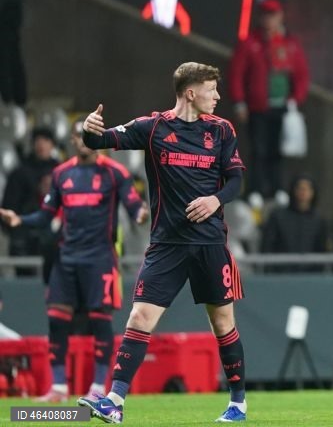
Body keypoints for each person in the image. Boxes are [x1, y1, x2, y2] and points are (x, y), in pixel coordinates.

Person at [76, 62, 248, 423]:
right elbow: (102, 140)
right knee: (139, 317)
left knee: (222, 324)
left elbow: (235, 181)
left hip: (209, 244)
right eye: (211, 89)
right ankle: (115, 402)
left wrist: (216, 200)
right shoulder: (152, 128)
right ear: (190, 92)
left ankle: (237, 404)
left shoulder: (221, 131)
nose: (217, 96)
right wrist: (88, 129)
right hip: (167, 245)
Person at [0, 120, 148, 403]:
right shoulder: (60, 174)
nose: (83, 141)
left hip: (100, 259)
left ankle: (96, 388)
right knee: (56, 321)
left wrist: (140, 214)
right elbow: (46, 214)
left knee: (99, 323)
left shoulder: (115, 172)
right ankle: (58, 388)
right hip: (66, 258)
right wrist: (20, 220)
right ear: (71, 139)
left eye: (90, 136)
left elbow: (132, 205)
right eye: (79, 136)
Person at [228, 0, 310, 201]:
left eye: (273, 15)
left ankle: (277, 188)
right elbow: (236, 74)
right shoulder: (250, 43)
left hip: (283, 107)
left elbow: (301, 75)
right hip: (257, 107)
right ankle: (256, 189)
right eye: (265, 15)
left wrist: (296, 99)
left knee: (279, 149)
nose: (269, 20)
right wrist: (239, 101)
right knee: (258, 149)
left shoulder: (290, 44)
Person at [1, 128, 60, 268]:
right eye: (37, 141)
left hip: (55, 240)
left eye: (46, 141)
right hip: (24, 241)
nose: (41, 145)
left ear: (52, 145)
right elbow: (9, 206)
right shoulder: (19, 173)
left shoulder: (62, 171)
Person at [260, 174, 328, 254]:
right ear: (293, 190)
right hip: (281, 264)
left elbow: (322, 249)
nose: (303, 192)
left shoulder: (319, 220)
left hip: (310, 265)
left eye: (307, 189)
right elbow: (268, 245)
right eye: (300, 188)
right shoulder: (278, 216)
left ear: (313, 192)